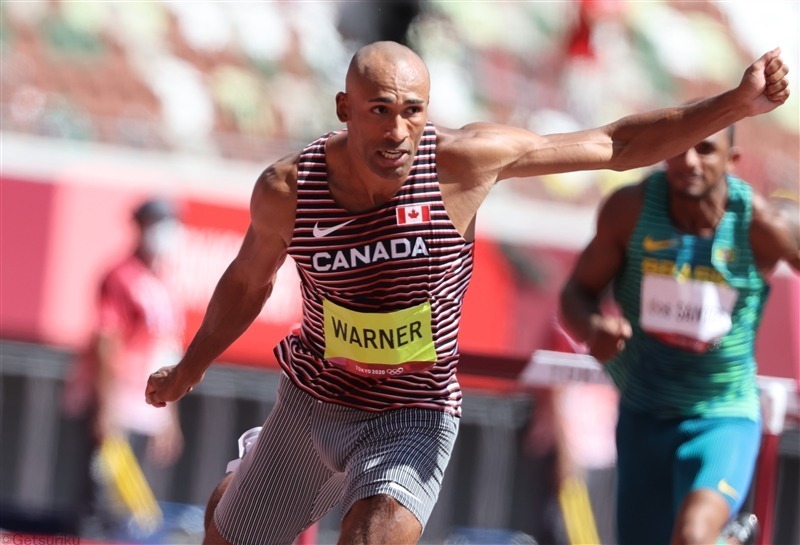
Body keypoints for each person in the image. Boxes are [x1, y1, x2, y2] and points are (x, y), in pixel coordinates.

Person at [144, 40, 790, 545]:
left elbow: (616, 143)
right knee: (224, 535)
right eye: (379, 110)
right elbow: (249, 278)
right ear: (344, 109)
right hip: (315, 399)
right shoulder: (288, 189)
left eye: (413, 111)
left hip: (414, 410)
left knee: (370, 534)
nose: (398, 131)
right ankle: (250, 473)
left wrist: (736, 103)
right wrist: (191, 365)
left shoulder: (461, 163)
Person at [558, 121, 799, 545]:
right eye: (678, 149)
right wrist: (592, 328)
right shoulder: (630, 210)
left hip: (721, 415)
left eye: (704, 150)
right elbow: (575, 293)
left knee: (693, 535)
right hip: (642, 412)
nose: (687, 161)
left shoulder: (761, 224)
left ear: (732, 161)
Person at [62, 197, 185, 539]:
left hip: (148, 408)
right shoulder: (121, 276)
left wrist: (169, 417)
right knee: (99, 502)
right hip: (117, 402)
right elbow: (106, 341)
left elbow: (169, 351)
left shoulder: (165, 282)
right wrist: (104, 407)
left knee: (137, 510)